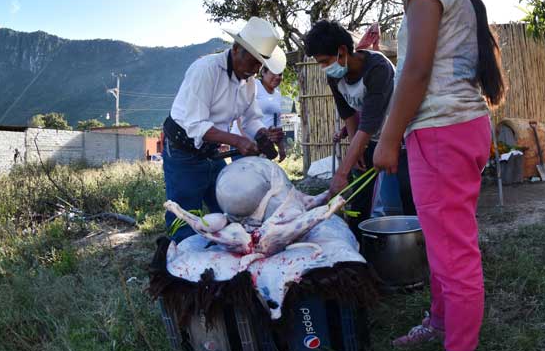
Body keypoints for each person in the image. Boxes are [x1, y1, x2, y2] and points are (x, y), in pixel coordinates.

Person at [372, 0, 505, 351]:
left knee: (454, 252)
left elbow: (416, 70)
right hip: (453, 130)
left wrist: (389, 138)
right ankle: (440, 322)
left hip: (442, 133)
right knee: (442, 245)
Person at [163, 17, 286, 243]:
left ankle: (220, 260)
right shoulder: (205, 70)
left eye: (261, 64)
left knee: (229, 210)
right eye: (253, 62)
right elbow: (195, 125)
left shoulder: (248, 82)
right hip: (183, 150)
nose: (256, 70)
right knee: (183, 214)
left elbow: (251, 119)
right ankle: (179, 262)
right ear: (237, 49)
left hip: (211, 151)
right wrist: (238, 141)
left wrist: (263, 135)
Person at [304, 20, 414, 236]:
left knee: (407, 191)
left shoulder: (378, 69)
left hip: (400, 138)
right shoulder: (334, 77)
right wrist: (358, 152)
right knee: (359, 199)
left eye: (325, 61)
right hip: (370, 138)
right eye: (320, 63)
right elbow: (349, 115)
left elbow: (370, 123)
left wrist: (341, 173)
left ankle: (416, 242)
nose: (324, 67)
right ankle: (359, 248)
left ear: (342, 51)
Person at [230, 65, 286, 161]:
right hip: (244, 145)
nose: (277, 77)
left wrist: (281, 148)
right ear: (263, 72)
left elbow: (276, 124)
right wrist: (245, 141)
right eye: (273, 73)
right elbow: (240, 116)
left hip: (264, 146)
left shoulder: (277, 94)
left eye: (280, 74)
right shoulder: (253, 85)